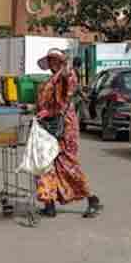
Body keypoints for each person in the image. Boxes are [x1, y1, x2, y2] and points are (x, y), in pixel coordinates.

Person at [35, 49, 102, 218]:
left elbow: (64, 98)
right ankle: (49, 203)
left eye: (54, 60)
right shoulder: (52, 78)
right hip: (48, 126)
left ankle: (92, 199)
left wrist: (48, 112)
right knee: (46, 165)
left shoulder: (67, 76)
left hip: (64, 127)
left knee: (68, 166)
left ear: (60, 61)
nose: (51, 63)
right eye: (50, 61)